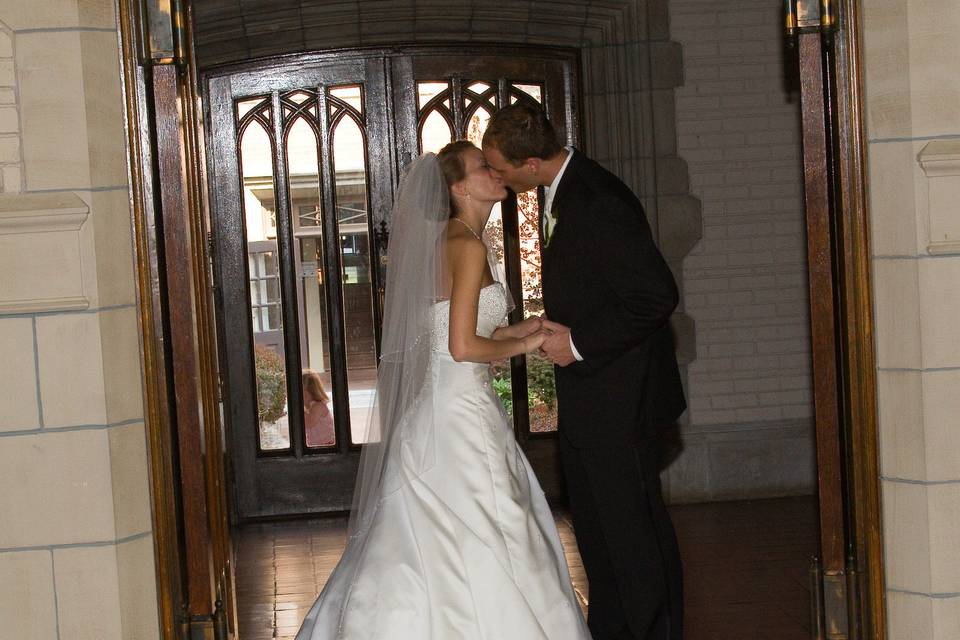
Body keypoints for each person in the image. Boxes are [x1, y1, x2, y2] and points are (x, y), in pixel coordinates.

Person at [295, 141, 592, 640]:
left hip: (445, 405)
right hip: (459, 409)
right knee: (489, 521)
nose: (496, 173)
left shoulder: (454, 240)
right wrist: (523, 348)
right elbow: (461, 347)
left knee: (444, 528)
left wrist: (524, 330)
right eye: (484, 168)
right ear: (458, 187)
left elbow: (463, 330)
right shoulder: (469, 246)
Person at [483, 104, 686, 640]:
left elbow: (655, 297)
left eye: (500, 169)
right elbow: (601, 286)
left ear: (530, 163)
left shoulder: (596, 200)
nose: (496, 179)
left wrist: (576, 341)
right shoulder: (562, 192)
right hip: (594, 399)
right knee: (599, 535)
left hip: (622, 399)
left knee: (632, 537)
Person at [302, 370, 335, 447]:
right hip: (317, 445)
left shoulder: (318, 406)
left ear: (308, 393)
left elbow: (309, 423)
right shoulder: (310, 408)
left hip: (327, 446)